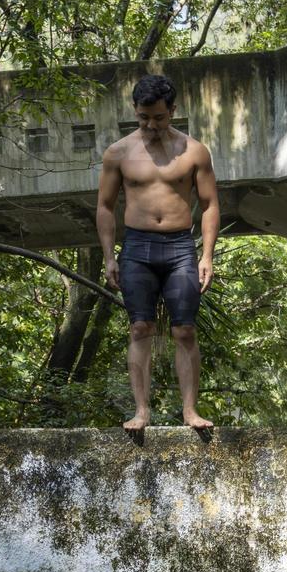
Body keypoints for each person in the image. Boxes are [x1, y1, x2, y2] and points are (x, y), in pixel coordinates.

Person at [96, 73, 219, 431]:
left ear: (173, 111)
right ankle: (141, 412)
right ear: (135, 111)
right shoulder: (118, 153)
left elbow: (210, 204)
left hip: (180, 247)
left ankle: (190, 411)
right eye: (143, 117)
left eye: (159, 117)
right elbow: (104, 206)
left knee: (184, 331)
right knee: (140, 328)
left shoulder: (194, 151)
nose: (151, 125)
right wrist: (109, 256)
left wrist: (206, 255)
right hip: (137, 247)